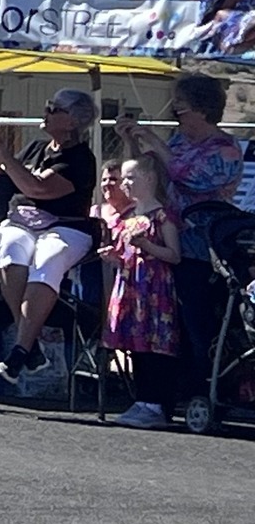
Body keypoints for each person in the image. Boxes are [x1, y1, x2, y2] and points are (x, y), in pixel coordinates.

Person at [0, 89, 99, 384]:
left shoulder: (80, 159)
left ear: (72, 121)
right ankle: (30, 345)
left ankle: (19, 352)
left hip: (66, 225)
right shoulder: (36, 148)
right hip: (22, 221)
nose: (45, 111)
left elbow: (37, 188)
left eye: (53, 108)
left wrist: (4, 153)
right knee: (11, 248)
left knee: (48, 257)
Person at [102, 155, 184, 430]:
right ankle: (142, 399)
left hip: (154, 287)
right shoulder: (129, 217)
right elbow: (125, 253)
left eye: (130, 178)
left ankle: (157, 403)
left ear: (149, 178)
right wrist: (115, 257)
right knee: (136, 343)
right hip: (132, 285)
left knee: (155, 343)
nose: (124, 183)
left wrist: (147, 246)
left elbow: (174, 255)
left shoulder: (162, 215)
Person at [113, 73, 244, 216]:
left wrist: (155, 141)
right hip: (170, 223)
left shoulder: (226, 150)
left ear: (203, 111)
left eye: (179, 111)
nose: (174, 114)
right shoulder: (179, 142)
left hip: (206, 226)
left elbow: (194, 180)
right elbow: (146, 174)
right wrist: (130, 141)